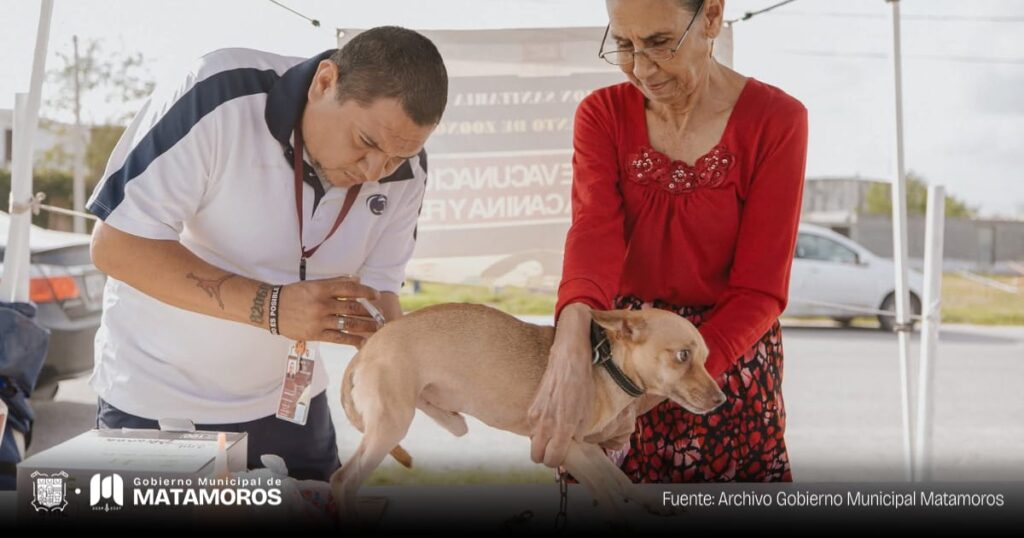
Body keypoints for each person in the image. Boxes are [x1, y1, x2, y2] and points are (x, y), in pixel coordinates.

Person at [85, 26, 448, 481]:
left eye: (397, 157)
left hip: (293, 410)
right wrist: (272, 307)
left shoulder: (407, 166)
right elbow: (115, 245)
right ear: (324, 82)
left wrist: (410, 371)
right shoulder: (218, 93)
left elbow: (379, 296)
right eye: (367, 143)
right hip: (160, 405)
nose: (377, 171)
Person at [528, 0, 807, 482]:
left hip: (721, 359)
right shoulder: (602, 114)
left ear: (713, 17)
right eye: (623, 46)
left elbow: (760, 291)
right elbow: (593, 233)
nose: (641, 68)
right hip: (625, 351)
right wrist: (570, 347)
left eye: (659, 43)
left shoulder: (776, 120)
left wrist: (665, 382)